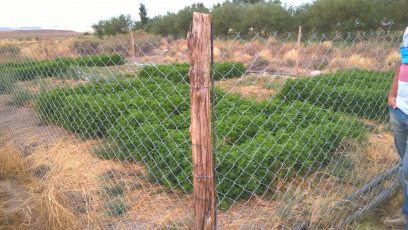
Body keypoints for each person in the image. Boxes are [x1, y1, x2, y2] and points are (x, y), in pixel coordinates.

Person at [384, 26, 408, 229]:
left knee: (407, 170)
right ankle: (407, 214)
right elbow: (403, 64)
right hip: (399, 110)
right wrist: (393, 94)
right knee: (404, 166)